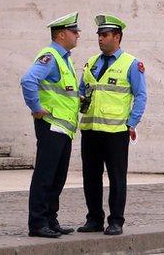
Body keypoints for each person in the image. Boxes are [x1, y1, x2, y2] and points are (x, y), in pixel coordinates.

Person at [77, 14, 147, 236]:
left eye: (105, 35)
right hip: (90, 130)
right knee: (90, 176)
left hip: (116, 131)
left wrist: (131, 123)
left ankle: (116, 220)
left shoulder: (131, 64)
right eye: (99, 35)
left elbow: (141, 95)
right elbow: (82, 91)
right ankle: (94, 219)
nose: (100, 39)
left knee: (117, 177)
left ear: (117, 37)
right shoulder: (91, 63)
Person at [20, 12, 81, 239]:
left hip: (63, 128)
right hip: (51, 126)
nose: (78, 35)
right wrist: (36, 108)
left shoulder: (64, 58)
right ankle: (37, 223)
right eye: (74, 32)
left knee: (58, 176)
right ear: (62, 34)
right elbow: (28, 80)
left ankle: (50, 219)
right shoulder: (51, 56)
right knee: (45, 176)